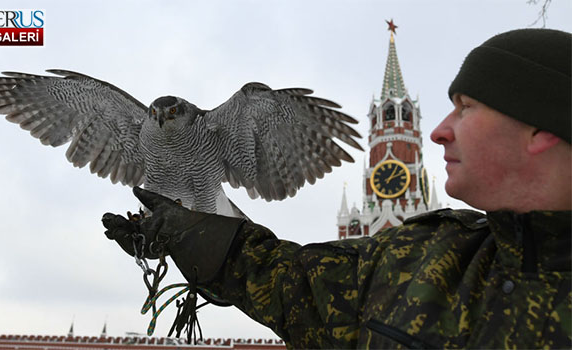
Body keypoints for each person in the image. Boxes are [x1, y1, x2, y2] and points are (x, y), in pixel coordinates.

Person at [103, 28, 571, 349]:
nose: (438, 132)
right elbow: (293, 285)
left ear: (541, 129)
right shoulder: (423, 256)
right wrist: (197, 238)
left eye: (466, 108)